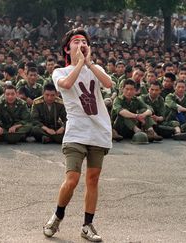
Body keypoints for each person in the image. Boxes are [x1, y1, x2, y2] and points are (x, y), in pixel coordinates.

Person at [43, 28, 112, 242]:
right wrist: (80, 63)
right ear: (67, 47)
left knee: (93, 179)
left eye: (84, 41)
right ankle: (57, 216)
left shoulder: (95, 68)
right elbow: (66, 85)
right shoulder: (59, 72)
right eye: (76, 41)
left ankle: (87, 225)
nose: (81, 43)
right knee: (72, 179)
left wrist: (89, 63)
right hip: (76, 132)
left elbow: (109, 84)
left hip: (99, 131)